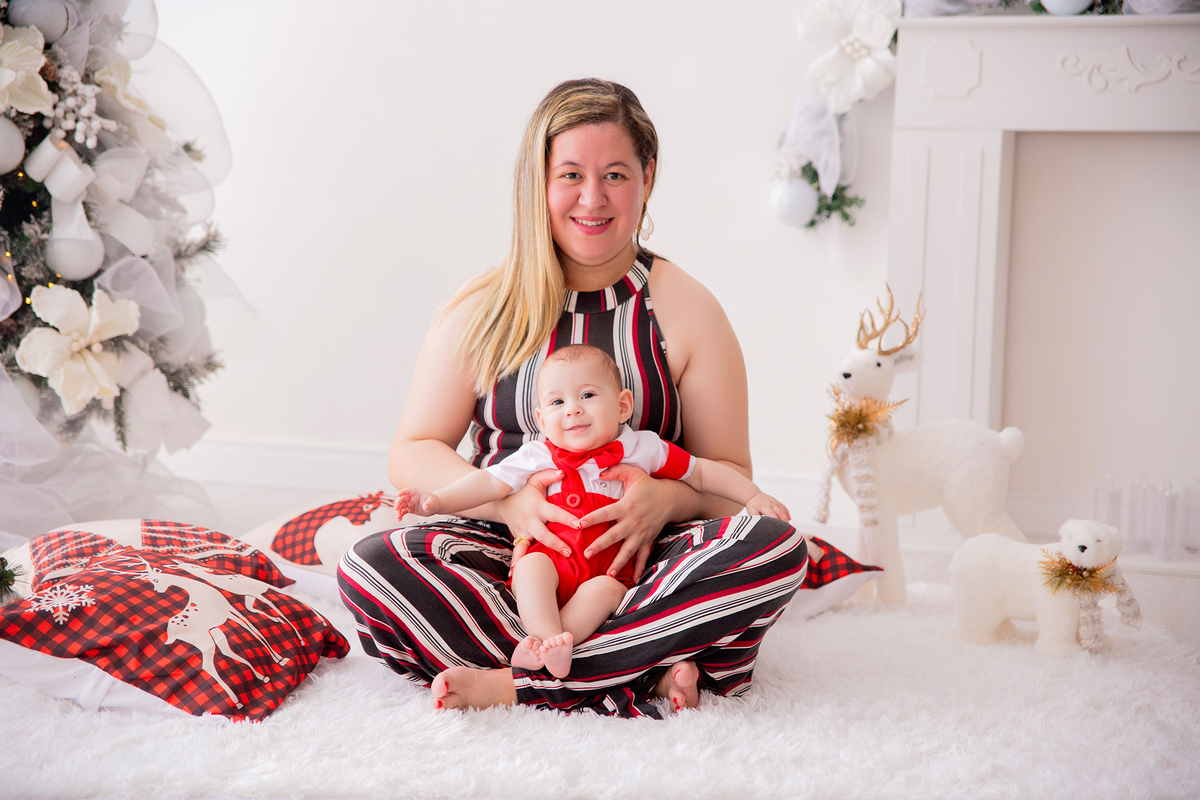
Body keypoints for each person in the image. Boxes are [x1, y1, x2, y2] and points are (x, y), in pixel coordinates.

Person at [337, 77, 808, 718]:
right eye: (570, 176)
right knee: (370, 566)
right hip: (515, 556)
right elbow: (413, 449)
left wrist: (667, 499)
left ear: (647, 175)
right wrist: (511, 506)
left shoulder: (687, 310)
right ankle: (645, 665)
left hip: (642, 564)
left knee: (775, 545)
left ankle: (520, 681)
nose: (593, 199)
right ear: (539, 182)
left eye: (615, 174)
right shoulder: (484, 307)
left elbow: (733, 480)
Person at [393, 344, 791, 681]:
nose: (572, 411)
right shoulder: (538, 455)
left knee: (606, 593)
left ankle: (552, 653)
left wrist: (752, 496)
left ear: (622, 406)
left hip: (609, 572)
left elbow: (703, 473)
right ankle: (551, 639)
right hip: (550, 559)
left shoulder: (643, 448)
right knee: (530, 570)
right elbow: (488, 482)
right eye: (557, 402)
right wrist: (437, 502)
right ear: (540, 419)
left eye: (587, 396)